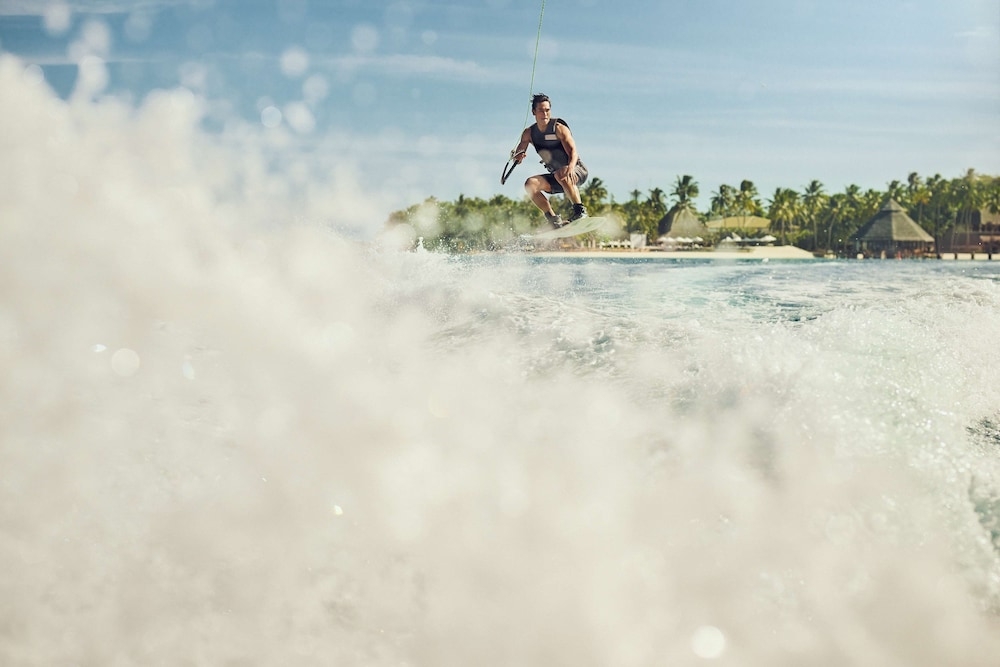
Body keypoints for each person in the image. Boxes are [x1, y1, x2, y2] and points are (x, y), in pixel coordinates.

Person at [510, 93, 588, 228]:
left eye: (547, 110)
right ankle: (553, 220)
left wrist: (570, 167)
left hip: (576, 171)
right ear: (534, 112)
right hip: (558, 177)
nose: (545, 113)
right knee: (530, 184)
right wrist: (517, 156)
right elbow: (519, 153)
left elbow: (573, 152)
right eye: (541, 110)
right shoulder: (529, 133)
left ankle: (579, 211)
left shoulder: (558, 128)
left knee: (561, 173)